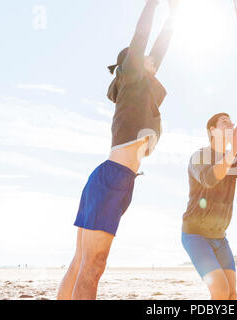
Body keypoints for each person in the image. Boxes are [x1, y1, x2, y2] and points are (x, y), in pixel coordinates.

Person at [57, 0, 180, 300]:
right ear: (133, 63)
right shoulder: (132, 78)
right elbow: (142, 35)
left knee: (84, 262)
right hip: (112, 178)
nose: (152, 59)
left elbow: (160, 48)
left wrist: (174, 15)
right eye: (144, 58)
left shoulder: (142, 90)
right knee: (92, 266)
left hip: (117, 180)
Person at [181, 113, 237, 300]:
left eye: (232, 122)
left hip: (220, 238)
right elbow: (209, 179)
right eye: (224, 122)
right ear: (212, 130)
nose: (231, 124)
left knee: (231, 294)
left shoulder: (235, 158)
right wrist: (232, 151)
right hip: (195, 235)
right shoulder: (199, 155)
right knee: (220, 291)